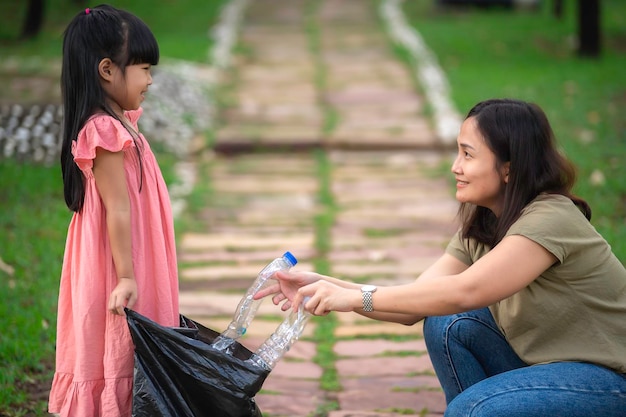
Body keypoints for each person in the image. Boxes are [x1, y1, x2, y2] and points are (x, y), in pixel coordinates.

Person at [256, 98, 626, 416]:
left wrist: (355, 297)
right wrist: (325, 285)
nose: (455, 166)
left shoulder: (552, 218)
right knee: (447, 324)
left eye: (468, 154)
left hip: (610, 380)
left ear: (509, 168)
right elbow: (415, 303)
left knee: (473, 409)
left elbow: (467, 291)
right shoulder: (486, 225)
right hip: (552, 368)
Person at [48, 5, 179, 417]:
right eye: (142, 67)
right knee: (120, 341)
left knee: (142, 337)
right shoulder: (104, 132)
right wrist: (125, 275)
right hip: (118, 260)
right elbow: (117, 210)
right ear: (107, 69)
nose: (150, 79)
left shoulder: (121, 123)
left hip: (135, 252)